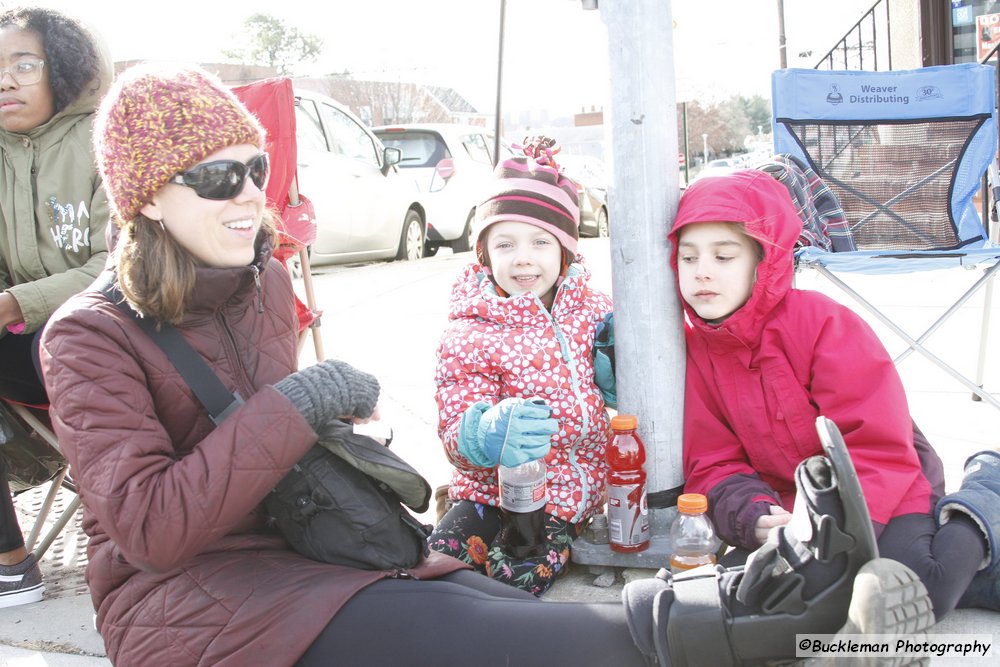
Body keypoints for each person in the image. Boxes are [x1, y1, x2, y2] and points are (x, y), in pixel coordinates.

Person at [37, 63, 657, 667]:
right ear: (146, 200)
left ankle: (724, 611)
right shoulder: (88, 335)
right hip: (184, 600)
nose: (251, 194)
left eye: (256, 168)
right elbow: (152, 530)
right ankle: (727, 621)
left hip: (310, 543)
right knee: (515, 637)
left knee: (504, 606)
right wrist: (308, 399)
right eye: (219, 176)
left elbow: (274, 451)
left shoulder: (267, 282)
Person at [670, 168, 1000, 621]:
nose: (702, 272)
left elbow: (878, 442)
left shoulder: (823, 323)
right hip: (794, 506)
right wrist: (753, 514)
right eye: (688, 258)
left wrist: (833, 530)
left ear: (763, 261)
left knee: (925, 590)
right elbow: (711, 458)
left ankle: (985, 494)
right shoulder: (696, 349)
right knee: (784, 599)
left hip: (885, 484)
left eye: (724, 256)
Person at [429, 140, 615, 595]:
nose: (523, 258)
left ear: (565, 251)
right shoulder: (470, 330)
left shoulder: (594, 313)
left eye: (540, 242)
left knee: (517, 579)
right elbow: (454, 428)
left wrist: (618, 374)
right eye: (505, 243)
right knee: (434, 569)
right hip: (486, 490)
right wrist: (482, 434)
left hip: (565, 497)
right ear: (485, 254)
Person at [0, 6, 111, 609]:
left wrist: (16, 300)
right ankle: (10, 561)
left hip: (113, 335)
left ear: (65, 72)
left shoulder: (108, 139)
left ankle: (129, 539)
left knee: (88, 356)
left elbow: (115, 265)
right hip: (28, 338)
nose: (5, 80)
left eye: (24, 64)